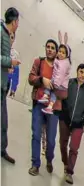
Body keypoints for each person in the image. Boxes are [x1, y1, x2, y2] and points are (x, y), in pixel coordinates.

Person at [28, 38, 67, 176]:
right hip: (39, 104)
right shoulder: (39, 62)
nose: (49, 49)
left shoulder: (61, 68)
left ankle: (49, 159)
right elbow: (31, 78)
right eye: (48, 47)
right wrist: (41, 80)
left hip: (54, 109)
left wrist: (56, 88)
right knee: (36, 135)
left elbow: (65, 92)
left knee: (51, 140)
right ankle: (35, 164)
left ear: (57, 52)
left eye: (52, 48)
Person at [59, 63, 84, 184]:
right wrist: (64, 112)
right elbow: (62, 98)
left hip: (78, 125)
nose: (82, 75)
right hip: (65, 119)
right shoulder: (69, 83)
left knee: (74, 148)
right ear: (77, 72)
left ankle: (69, 172)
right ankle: (65, 163)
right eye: (81, 72)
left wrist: (81, 118)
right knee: (62, 144)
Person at [1, 7, 21, 164]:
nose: (18, 24)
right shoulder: (1, 32)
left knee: (3, 121)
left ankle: (2, 149)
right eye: (18, 21)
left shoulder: (7, 35)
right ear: (14, 21)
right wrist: (10, 62)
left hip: (3, 85)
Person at [39, 32, 71, 115]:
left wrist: (55, 84)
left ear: (67, 55)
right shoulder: (59, 61)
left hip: (60, 84)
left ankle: (47, 98)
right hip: (58, 82)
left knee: (52, 88)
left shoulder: (64, 64)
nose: (60, 53)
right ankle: (49, 104)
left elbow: (60, 75)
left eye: (63, 53)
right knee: (52, 90)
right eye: (60, 51)